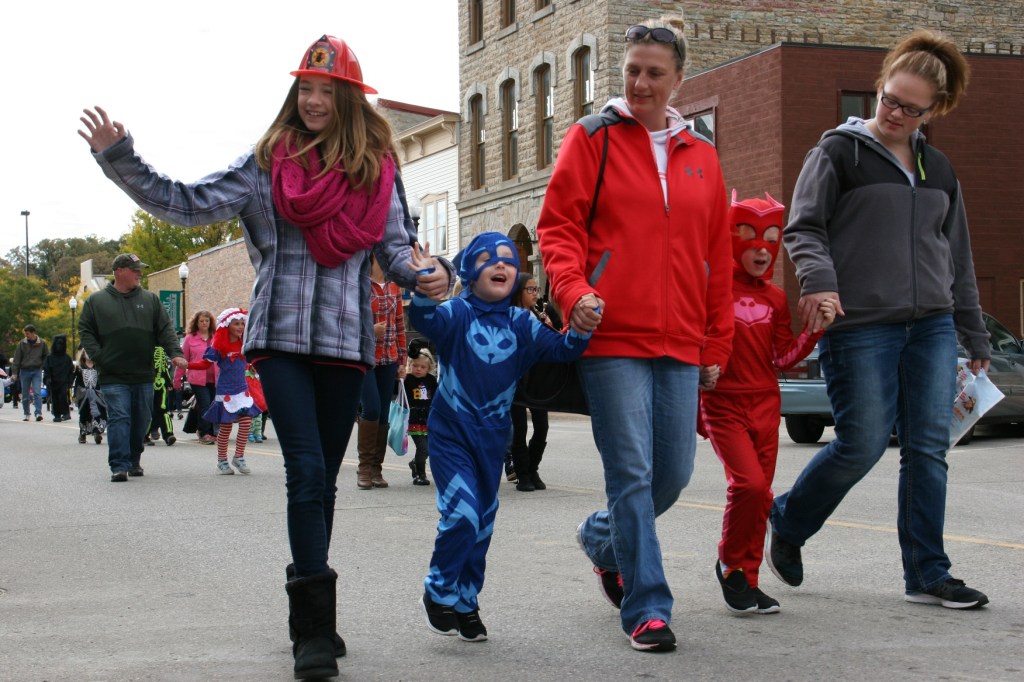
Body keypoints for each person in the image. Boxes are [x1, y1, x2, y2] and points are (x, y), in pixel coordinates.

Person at [79, 33, 452, 679]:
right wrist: (121, 158)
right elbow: (187, 203)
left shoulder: (377, 170)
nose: (312, 100)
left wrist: (428, 274)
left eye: (325, 91)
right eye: (304, 88)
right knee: (305, 471)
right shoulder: (266, 165)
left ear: (348, 100)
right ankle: (313, 628)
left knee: (323, 480)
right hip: (278, 338)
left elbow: (396, 251)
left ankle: (311, 609)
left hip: (343, 344)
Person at [766, 30, 991, 610]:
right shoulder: (838, 153)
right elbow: (804, 228)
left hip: (934, 326)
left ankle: (927, 573)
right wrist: (821, 284)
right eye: (888, 99)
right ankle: (788, 521)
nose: (893, 113)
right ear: (880, 88)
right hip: (861, 324)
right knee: (862, 444)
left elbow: (957, 256)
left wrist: (974, 332)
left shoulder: (938, 169)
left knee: (927, 451)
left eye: (909, 108)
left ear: (932, 111)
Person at [536, 16, 734, 652]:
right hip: (612, 335)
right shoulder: (592, 137)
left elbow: (718, 259)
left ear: (678, 79)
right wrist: (574, 291)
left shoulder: (701, 154)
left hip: (680, 340)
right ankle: (647, 607)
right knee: (631, 473)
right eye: (632, 71)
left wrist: (716, 342)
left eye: (655, 73)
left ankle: (601, 538)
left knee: (671, 474)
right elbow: (558, 229)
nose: (641, 82)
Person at [409, 233, 589, 643]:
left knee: (482, 525)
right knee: (462, 515)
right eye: (489, 259)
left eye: (508, 259)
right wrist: (422, 285)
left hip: (494, 438)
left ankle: (467, 602)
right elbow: (425, 319)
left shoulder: (522, 322)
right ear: (471, 271)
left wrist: (581, 324)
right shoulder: (457, 313)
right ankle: (438, 591)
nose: (502, 265)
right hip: (451, 432)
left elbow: (563, 351)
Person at [698, 192, 836, 615]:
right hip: (722, 405)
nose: (761, 249)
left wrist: (815, 330)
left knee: (762, 495)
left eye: (770, 240)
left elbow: (782, 358)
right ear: (732, 238)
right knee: (750, 486)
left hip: (764, 405)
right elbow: (690, 339)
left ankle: (749, 577)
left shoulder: (776, 298)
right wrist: (702, 368)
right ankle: (729, 564)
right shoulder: (711, 288)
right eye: (750, 237)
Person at [77, 254, 188, 481]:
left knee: (141, 418)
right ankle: (119, 465)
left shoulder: (150, 300)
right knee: (120, 417)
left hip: (143, 373)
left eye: (140, 269)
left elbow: (165, 330)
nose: (139, 273)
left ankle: (134, 458)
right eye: (135, 269)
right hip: (112, 373)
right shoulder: (96, 301)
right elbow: (85, 330)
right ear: (119, 271)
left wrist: (175, 353)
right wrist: (98, 356)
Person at [355, 252, 407, 489]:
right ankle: (363, 468)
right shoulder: (359, 284)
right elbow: (347, 321)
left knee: (384, 413)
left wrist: (402, 360)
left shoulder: (395, 287)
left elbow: (399, 325)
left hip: (389, 358)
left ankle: (377, 469)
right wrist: (368, 330)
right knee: (372, 408)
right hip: (365, 357)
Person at [187, 309, 259, 474]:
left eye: (242, 323)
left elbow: (248, 361)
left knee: (246, 422)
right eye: (236, 324)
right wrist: (187, 365)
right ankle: (222, 461)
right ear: (227, 325)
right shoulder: (219, 345)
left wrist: (252, 366)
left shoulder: (244, 343)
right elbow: (205, 364)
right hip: (226, 389)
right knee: (225, 427)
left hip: (242, 389)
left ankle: (239, 456)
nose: (241, 327)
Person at [508, 274, 559, 492]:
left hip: (538, 380)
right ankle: (522, 473)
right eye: (530, 290)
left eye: (535, 290)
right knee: (519, 428)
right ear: (518, 292)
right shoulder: (509, 316)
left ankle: (533, 467)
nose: (534, 294)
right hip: (516, 378)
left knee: (542, 427)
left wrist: (548, 326)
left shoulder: (539, 315)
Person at [175, 311, 218, 445]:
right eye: (202, 321)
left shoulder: (216, 337)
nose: (204, 323)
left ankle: (208, 431)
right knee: (205, 404)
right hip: (197, 378)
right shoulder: (190, 338)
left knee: (212, 405)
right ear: (196, 323)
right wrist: (177, 379)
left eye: (207, 321)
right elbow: (183, 360)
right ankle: (204, 433)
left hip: (215, 378)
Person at [403, 347, 437, 486]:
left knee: (430, 448)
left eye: (422, 367)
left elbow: (436, 397)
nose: (418, 369)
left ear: (429, 367)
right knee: (423, 448)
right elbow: (398, 395)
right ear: (409, 365)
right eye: (415, 365)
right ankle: (420, 474)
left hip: (429, 419)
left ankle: (415, 463)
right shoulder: (407, 379)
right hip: (414, 419)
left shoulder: (431, 380)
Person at [12, 324, 49, 422]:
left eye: (27, 333)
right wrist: (14, 373)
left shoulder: (42, 343)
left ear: (33, 333)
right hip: (25, 371)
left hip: (37, 370)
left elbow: (46, 356)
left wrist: (44, 366)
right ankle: (26, 413)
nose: (26, 335)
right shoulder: (22, 344)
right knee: (25, 394)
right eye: (25, 334)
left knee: (37, 392)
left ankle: (38, 413)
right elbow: (16, 359)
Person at [74, 347, 107, 444]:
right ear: (83, 355)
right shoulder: (79, 367)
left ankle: (97, 432)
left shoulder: (98, 366)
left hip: (98, 395)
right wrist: (76, 394)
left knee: (100, 412)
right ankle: (83, 433)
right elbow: (75, 381)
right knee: (84, 413)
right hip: (84, 395)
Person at [147, 346, 177, 446]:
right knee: (145, 410)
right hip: (146, 383)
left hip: (160, 384)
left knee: (162, 409)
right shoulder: (144, 342)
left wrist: (168, 382)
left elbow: (164, 367)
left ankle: (168, 435)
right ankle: (142, 436)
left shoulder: (161, 348)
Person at [43, 334, 75, 422]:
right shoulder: (50, 357)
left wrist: (69, 381)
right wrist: (48, 378)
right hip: (53, 381)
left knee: (63, 397)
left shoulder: (67, 358)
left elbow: (71, 371)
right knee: (55, 398)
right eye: (57, 344)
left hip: (63, 381)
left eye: (61, 344)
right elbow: (46, 369)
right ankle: (57, 414)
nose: (59, 346)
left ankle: (65, 413)